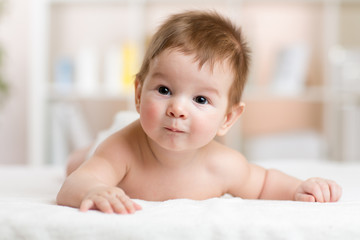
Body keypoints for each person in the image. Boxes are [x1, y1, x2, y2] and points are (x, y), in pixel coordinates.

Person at [56, 10, 342, 214]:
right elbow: (73, 185)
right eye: (164, 90)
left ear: (228, 118)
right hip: (121, 130)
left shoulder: (222, 165)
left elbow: (265, 182)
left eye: (201, 99)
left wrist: (300, 188)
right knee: (79, 163)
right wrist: (91, 189)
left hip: (144, 124)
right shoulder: (121, 150)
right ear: (139, 93)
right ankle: (83, 152)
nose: (178, 109)